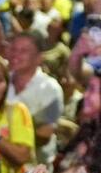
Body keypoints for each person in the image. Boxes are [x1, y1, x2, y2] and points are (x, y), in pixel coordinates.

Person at [6, 31, 63, 164]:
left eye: (23, 51)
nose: (16, 55)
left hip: (34, 169)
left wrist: (5, 143)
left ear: (39, 58)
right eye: (13, 49)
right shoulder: (0, 80)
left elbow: (45, 134)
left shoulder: (51, 89)